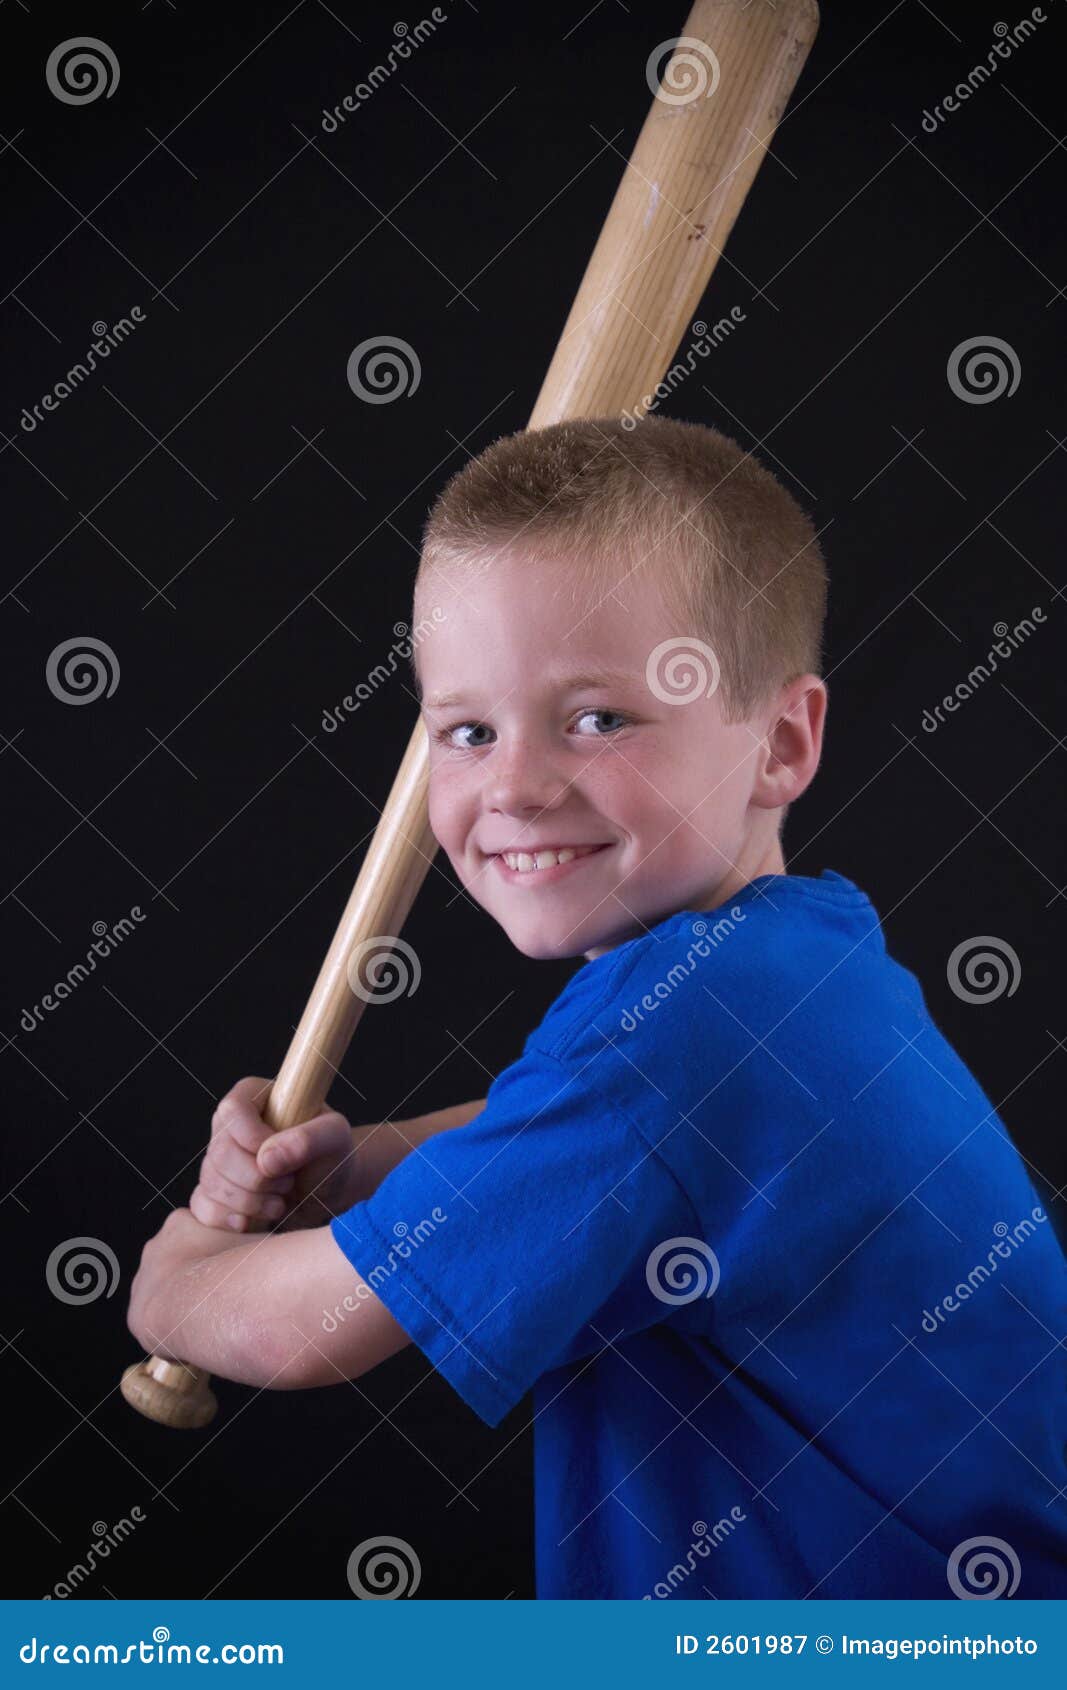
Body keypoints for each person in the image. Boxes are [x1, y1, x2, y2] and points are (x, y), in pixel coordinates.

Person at [127, 417, 1067, 1598]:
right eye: (466, 729)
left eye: (597, 717)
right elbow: (614, 1134)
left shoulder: (674, 1040)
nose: (514, 783)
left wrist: (180, 1274)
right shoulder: (790, 963)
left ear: (779, 744)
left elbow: (288, 1331)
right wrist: (372, 1169)